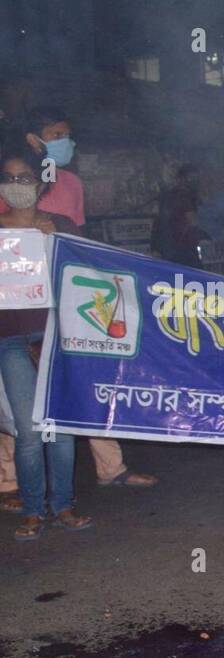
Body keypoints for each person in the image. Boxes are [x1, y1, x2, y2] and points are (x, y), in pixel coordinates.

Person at [6, 108, 157, 490]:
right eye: (55, 134)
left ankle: (110, 468)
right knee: (17, 409)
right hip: (11, 317)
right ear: (33, 141)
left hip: (59, 312)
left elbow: (83, 251)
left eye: (67, 134)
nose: (65, 141)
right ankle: (10, 482)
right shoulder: (10, 179)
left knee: (81, 389)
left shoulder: (70, 184)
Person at [0, 143, 92, 540]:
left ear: (40, 182)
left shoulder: (62, 227)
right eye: (8, 178)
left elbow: (89, 277)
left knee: (60, 426)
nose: (16, 184)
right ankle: (34, 510)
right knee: (29, 431)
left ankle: (64, 506)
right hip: (10, 340)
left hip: (57, 336)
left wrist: (56, 244)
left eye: (24, 177)